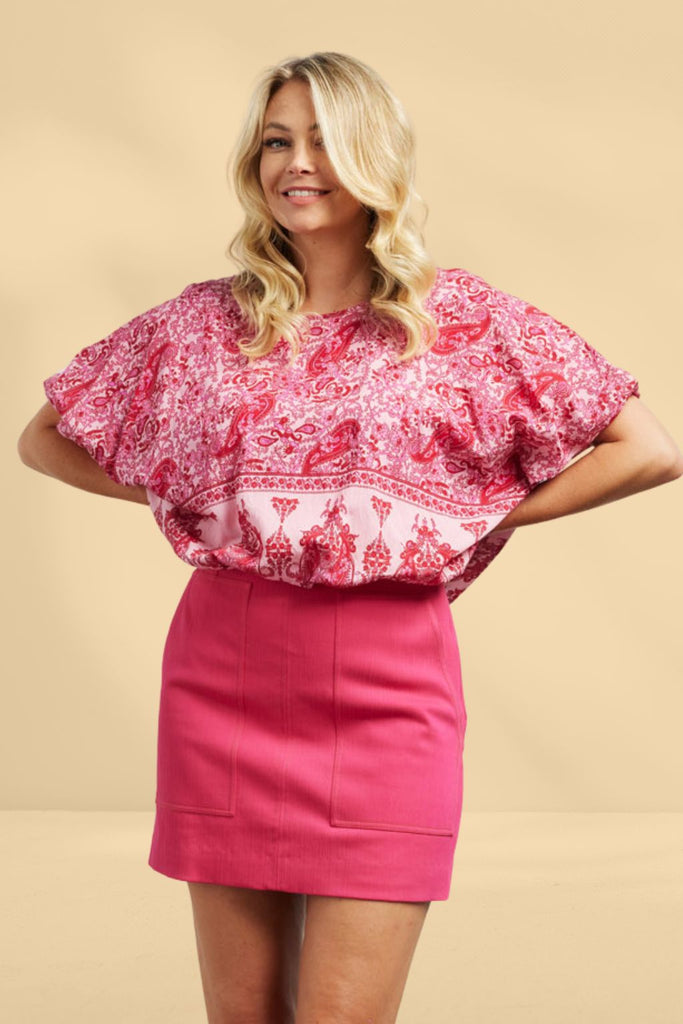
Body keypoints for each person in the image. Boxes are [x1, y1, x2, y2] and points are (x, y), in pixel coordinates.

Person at [17, 50, 682, 1024]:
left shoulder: (459, 319)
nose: (295, 162)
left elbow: (647, 449)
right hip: (223, 671)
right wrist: (198, 498)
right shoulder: (201, 324)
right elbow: (43, 438)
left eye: (323, 140)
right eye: (275, 141)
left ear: (375, 157)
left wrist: (463, 517)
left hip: (387, 684)